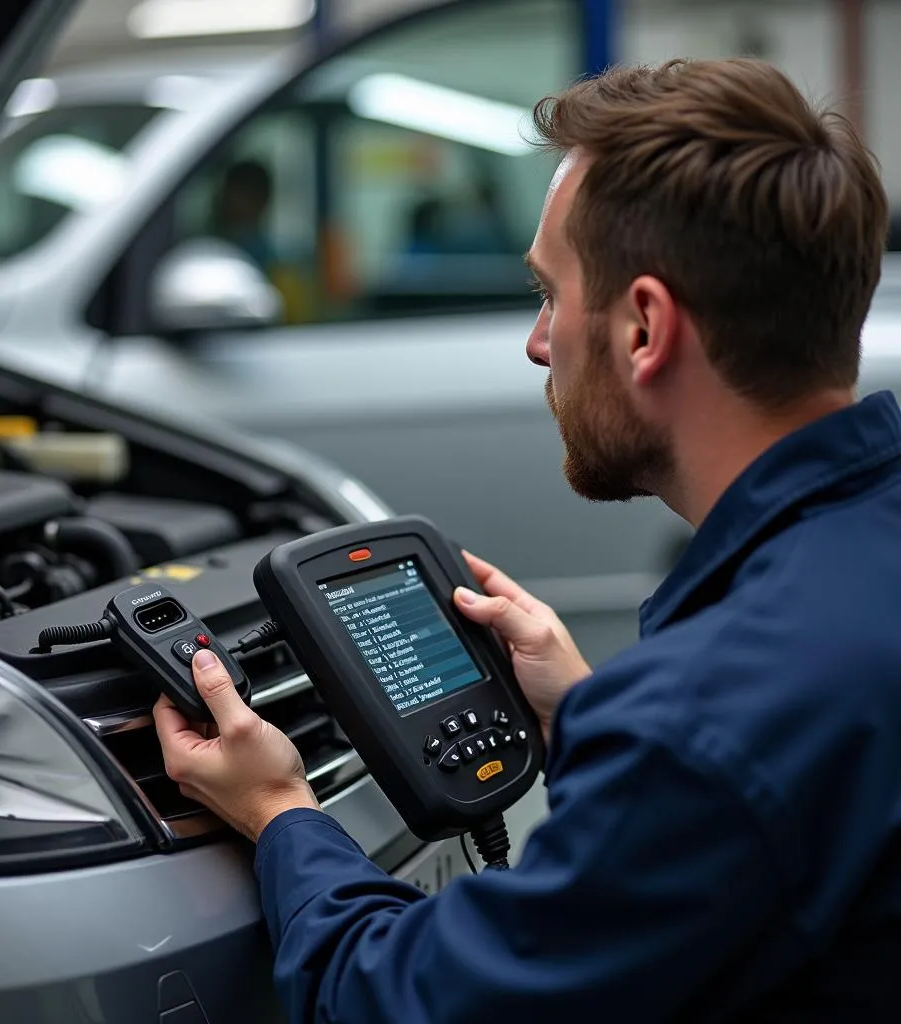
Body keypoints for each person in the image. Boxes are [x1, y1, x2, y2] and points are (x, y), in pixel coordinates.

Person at [154, 57, 901, 1021]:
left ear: (644, 329)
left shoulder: (705, 722)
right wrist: (592, 716)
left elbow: (412, 1002)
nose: (538, 343)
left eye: (551, 293)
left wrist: (279, 814)